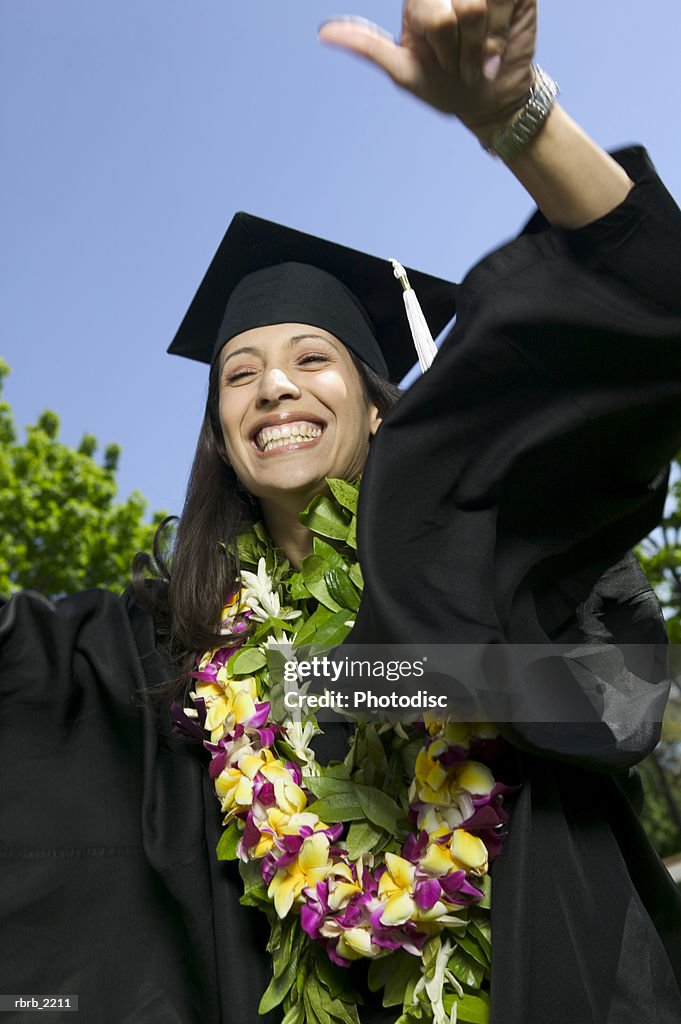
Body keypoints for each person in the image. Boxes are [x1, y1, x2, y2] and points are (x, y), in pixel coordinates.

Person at [2, 2, 681, 1022]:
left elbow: (650, 310)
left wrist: (517, 117)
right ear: (219, 429)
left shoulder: (487, 529)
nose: (274, 388)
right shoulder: (165, 648)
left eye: (312, 358)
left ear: (373, 397)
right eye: (240, 373)